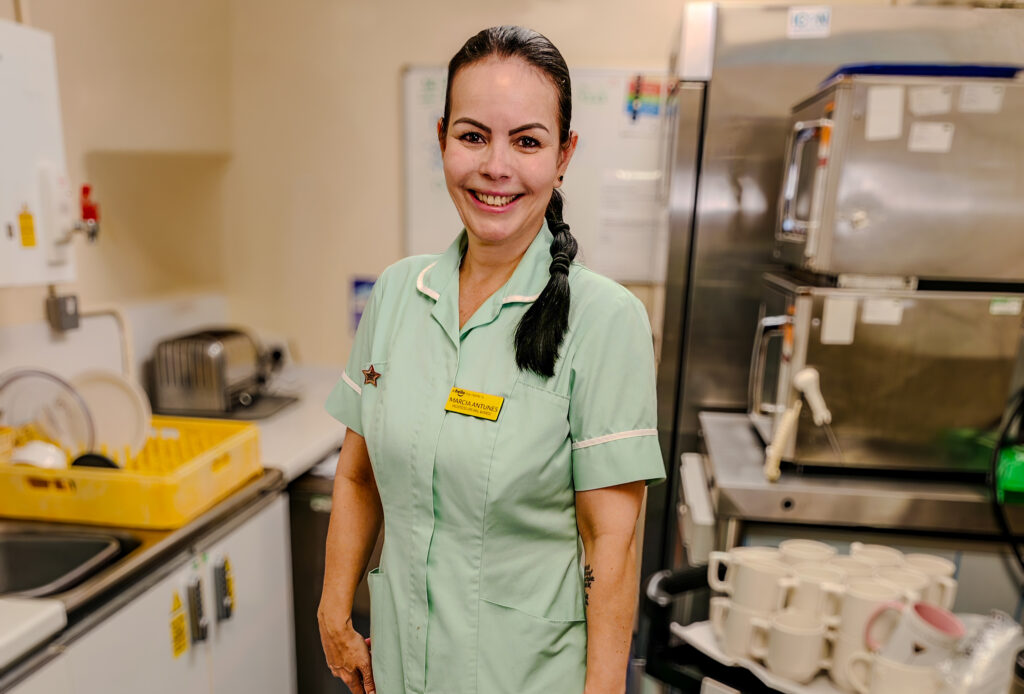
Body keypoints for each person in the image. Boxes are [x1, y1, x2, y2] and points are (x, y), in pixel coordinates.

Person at [317, 25, 665, 694]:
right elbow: (359, 476)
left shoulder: (605, 320)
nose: (496, 167)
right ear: (442, 137)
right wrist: (336, 606)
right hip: (401, 667)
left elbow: (611, 544)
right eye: (473, 136)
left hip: (527, 677)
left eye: (527, 142)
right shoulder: (397, 294)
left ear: (563, 156)